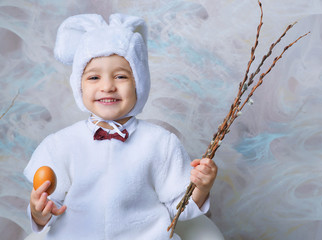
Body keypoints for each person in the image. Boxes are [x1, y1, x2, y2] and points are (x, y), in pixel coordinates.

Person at [24, 13, 217, 240]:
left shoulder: (161, 142)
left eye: (121, 76)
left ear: (139, 83)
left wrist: (201, 188)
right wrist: (39, 213)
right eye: (94, 77)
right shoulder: (61, 144)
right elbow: (50, 207)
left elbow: (179, 206)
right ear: (79, 86)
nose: (107, 86)